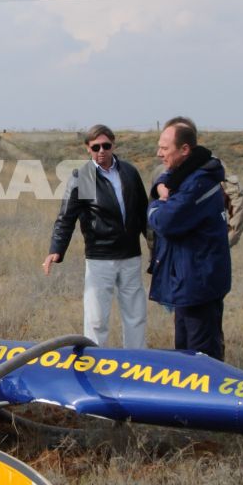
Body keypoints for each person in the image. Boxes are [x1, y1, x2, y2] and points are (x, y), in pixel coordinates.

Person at [43, 124, 148, 348]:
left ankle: (135, 364)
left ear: (113, 145)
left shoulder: (129, 172)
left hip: (131, 256)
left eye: (106, 145)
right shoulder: (84, 177)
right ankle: (95, 367)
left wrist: (155, 247)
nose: (101, 150)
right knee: (96, 320)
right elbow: (66, 217)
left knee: (135, 316)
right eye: (95, 147)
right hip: (100, 258)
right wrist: (56, 250)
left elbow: (143, 213)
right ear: (88, 149)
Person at [147, 117, 231, 360]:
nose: (159, 153)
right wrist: (161, 191)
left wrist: (156, 205)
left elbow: (164, 222)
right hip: (186, 281)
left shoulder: (199, 183)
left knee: (202, 357)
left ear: (185, 150)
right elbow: (166, 181)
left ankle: (210, 396)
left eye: (165, 148)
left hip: (199, 282)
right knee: (184, 352)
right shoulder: (187, 174)